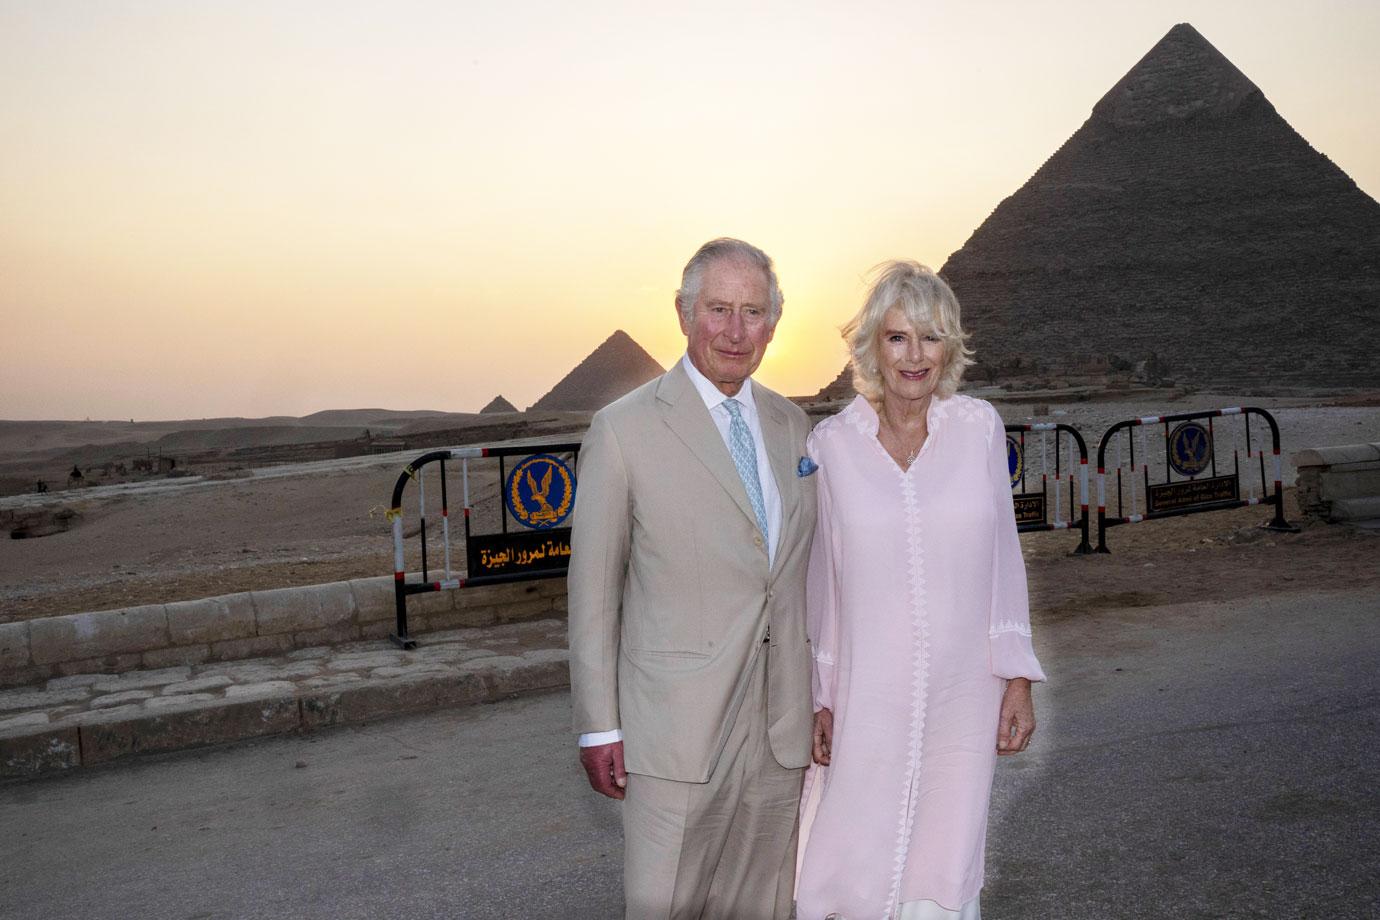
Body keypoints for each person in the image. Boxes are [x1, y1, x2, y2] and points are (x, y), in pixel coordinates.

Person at [568, 238, 817, 919]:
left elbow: (806, 577)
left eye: (754, 312)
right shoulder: (623, 432)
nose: (736, 331)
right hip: (675, 737)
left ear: (773, 324)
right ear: (682, 314)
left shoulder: (794, 428)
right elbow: (591, 593)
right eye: (719, 309)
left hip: (779, 730)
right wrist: (598, 727)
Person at [794, 261, 1046, 920]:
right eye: (898, 337)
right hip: (866, 690)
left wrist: (1015, 675)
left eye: (931, 338)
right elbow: (827, 581)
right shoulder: (831, 445)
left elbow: (1003, 559)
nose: (915, 356)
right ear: (872, 345)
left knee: (945, 853)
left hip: (964, 690)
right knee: (853, 848)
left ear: (950, 347)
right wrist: (823, 697)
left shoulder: (978, 429)